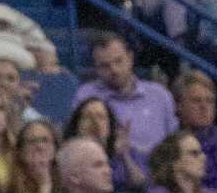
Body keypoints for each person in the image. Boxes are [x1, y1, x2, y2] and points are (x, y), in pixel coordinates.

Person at [70, 30, 174, 168]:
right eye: (104, 66)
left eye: (118, 61)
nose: (114, 70)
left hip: (160, 173)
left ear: (130, 58)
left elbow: (174, 143)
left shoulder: (159, 95)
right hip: (107, 173)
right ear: (96, 69)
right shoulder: (86, 96)